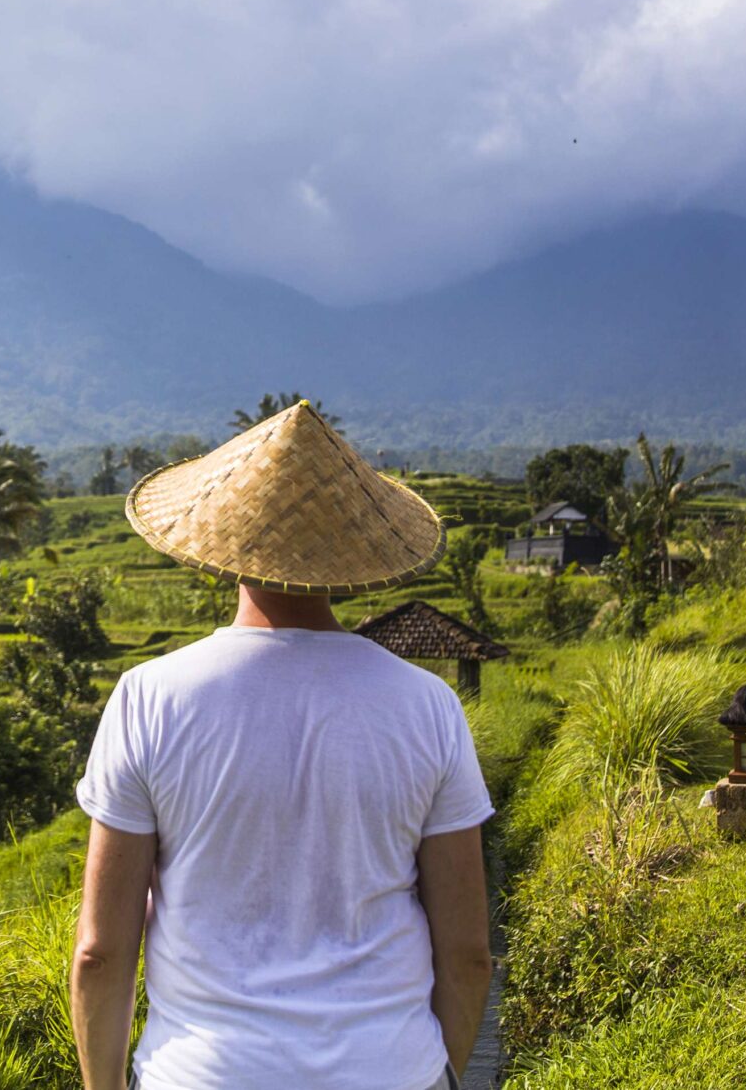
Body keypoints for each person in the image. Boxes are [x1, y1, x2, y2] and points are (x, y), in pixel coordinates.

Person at [70, 401, 494, 1090]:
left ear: (225, 545)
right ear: (354, 557)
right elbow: (470, 952)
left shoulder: (149, 698)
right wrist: (432, 1070)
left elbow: (100, 952)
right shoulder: (429, 706)